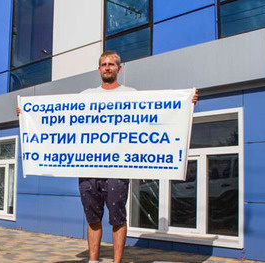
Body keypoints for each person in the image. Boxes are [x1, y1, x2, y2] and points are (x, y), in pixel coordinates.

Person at [79, 51, 198, 263]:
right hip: (89, 168)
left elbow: (154, 115)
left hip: (118, 169)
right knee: (92, 218)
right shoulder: (86, 95)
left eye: (111, 64)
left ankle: (117, 261)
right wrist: (28, 113)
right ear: (99, 69)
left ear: (119, 69)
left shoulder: (131, 94)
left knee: (117, 218)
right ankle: (93, 260)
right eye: (104, 64)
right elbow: (64, 118)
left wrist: (185, 103)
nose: (107, 67)